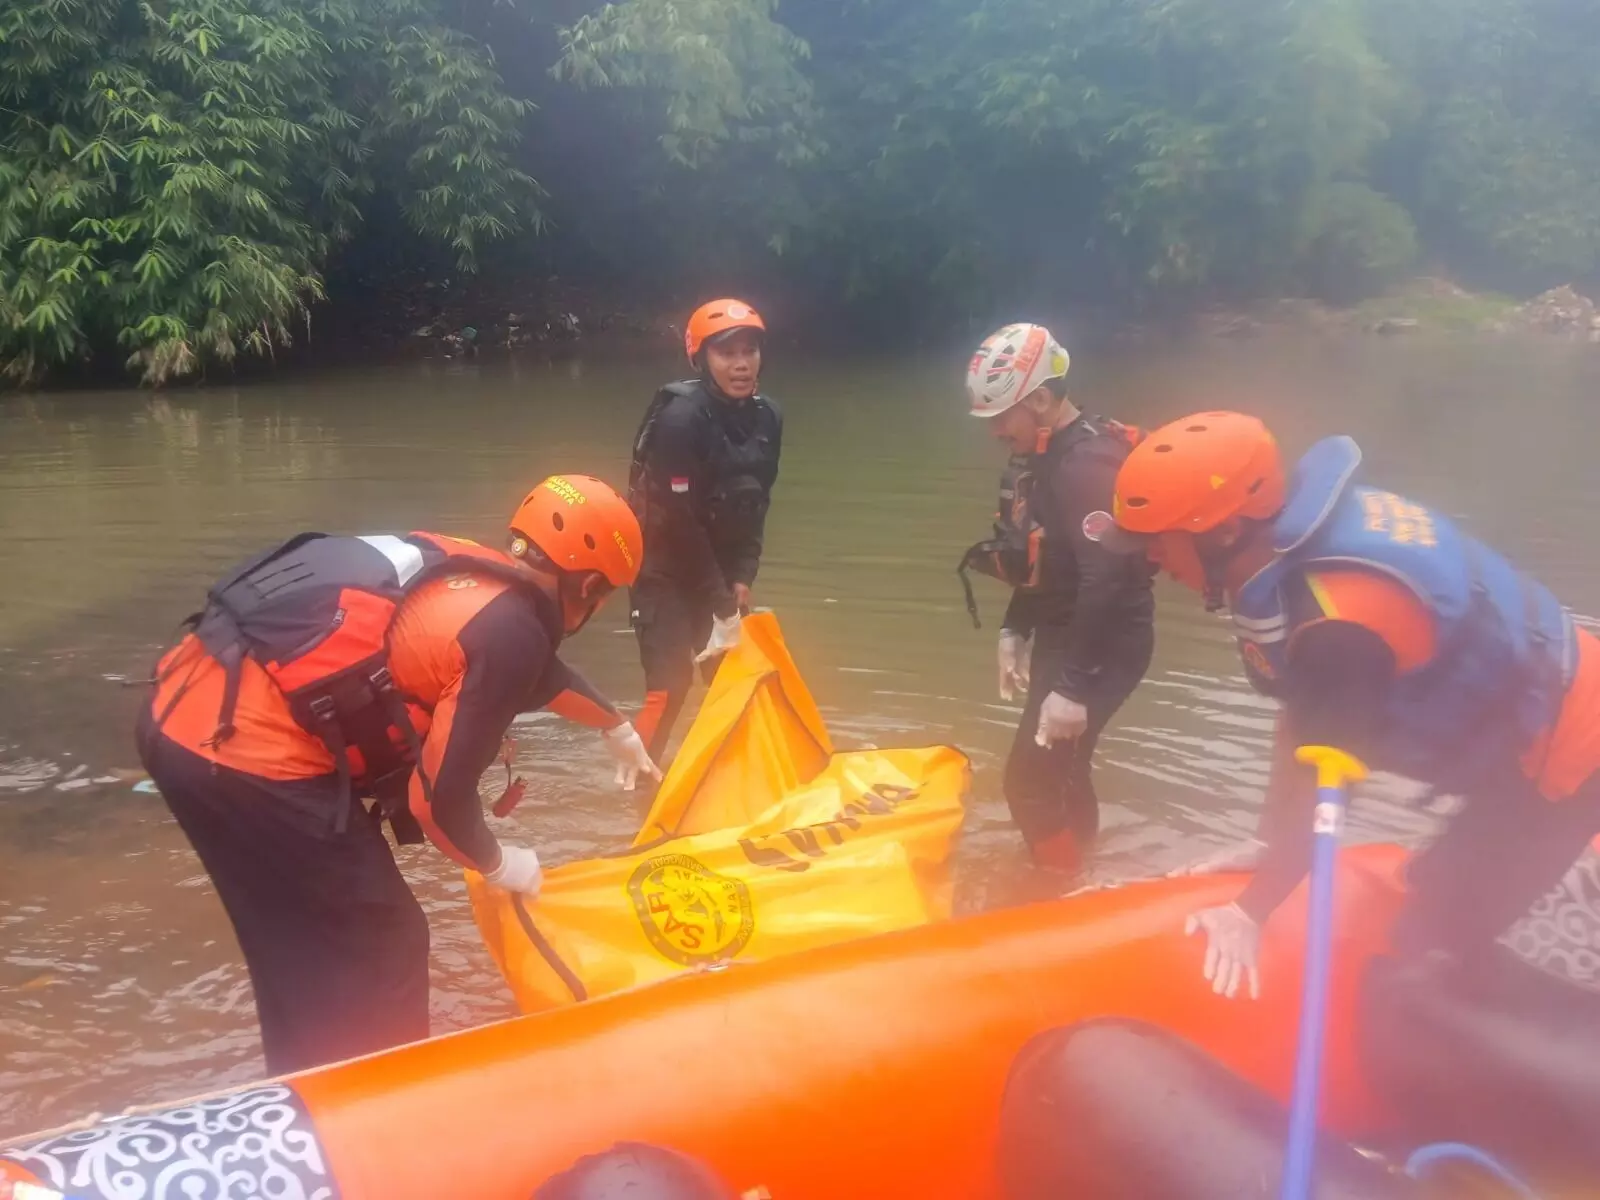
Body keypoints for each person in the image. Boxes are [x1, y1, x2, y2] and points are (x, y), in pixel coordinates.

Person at [136, 475, 660, 1074]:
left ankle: (305, 1089)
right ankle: (379, 1106)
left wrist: (616, 727)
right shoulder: (510, 629)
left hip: (183, 709)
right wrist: (500, 863)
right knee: (384, 941)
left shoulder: (478, 575)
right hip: (240, 754)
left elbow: (545, 675)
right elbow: (437, 804)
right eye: (602, 597)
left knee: (297, 946)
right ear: (590, 584)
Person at [1103, 412, 1600, 999]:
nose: (1153, 560)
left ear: (1224, 530)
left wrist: (1252, 911)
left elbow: (1330, 795)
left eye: (1160, 541)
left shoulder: (1339, 625)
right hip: (1539, 718)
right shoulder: (1292, 565)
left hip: (1572, 754)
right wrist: (1268, 838)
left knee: (1430, 947)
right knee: (1434, 882)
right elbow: (1301, 715)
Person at [960, 322, 1157, 871]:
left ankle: (1058, 889)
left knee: (1027, 782)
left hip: (1102, 644)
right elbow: (1046, 557)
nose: (996, 431)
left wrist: (1072, 686)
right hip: (1068, 632)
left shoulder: (1087, 466)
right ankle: (1084, 864)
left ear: (1041, 400)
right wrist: (1015, 625)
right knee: (1061, 772)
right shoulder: (1047, 458)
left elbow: (1106, 578)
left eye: (1002, 417)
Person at [626, 299, 783, 764]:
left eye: (750, 351)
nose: (741, 364)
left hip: (719, 574)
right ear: (701, 358)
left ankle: (735, 782)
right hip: (664, 571)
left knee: (735, 686)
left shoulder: (769, 416)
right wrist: (721, 603)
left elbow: (758, 502)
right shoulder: (680, 420)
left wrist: (742, 577)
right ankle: (637, 791)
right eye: (727, 353)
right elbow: (677, 520)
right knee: (668, 689)